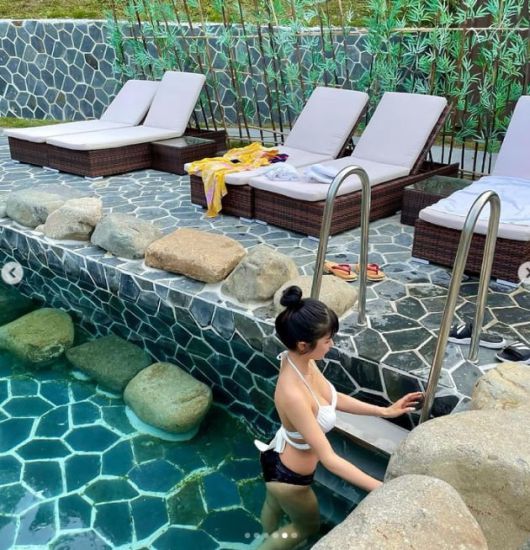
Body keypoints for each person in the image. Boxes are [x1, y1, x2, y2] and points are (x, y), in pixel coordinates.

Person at [254, 286, 422, 549]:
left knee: (273, 504)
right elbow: (330, 459)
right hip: (289, 478)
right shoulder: (292, 393)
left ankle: (264, 534)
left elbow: (333, 398)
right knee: (305, 528)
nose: (331, 345)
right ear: (303, 344)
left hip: (276, 456)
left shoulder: (300, 361)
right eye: (327, 340)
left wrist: (384, 411)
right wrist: (382, 488)